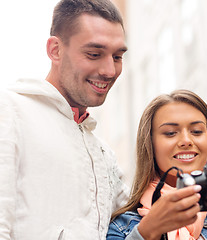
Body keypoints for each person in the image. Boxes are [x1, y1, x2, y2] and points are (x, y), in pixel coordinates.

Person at [0, 0, 129, 239]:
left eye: (118, 56)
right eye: (94, 54)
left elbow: (144, 216)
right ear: (55, 50)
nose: (110, 70)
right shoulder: (10, 111)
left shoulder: (103, 154)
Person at [107, 89, 207, 240]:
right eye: (170, 133)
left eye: (197, 131)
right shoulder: (122, 227)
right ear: (150, 145)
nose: (186, 141)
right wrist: (147, 231)